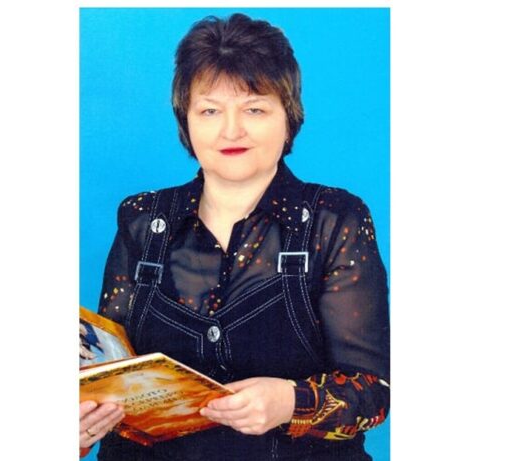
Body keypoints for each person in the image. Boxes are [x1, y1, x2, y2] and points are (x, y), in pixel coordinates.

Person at [80, 13, 390, 460]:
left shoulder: (334, 219)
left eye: (254, 109)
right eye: (209, 110)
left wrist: (290, 402)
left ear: (289, 117)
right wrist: (82, 425)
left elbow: (374, 392)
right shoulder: (142, 219)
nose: (231, 130)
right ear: (186, 121)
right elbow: (107, 372)